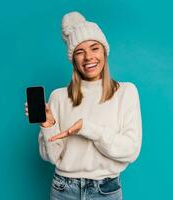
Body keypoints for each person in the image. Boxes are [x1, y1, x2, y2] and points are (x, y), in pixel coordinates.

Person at [25, 11, 142, 200]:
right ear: (73, 59)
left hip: (106, 190)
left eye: (94, 48)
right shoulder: (59, 97)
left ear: (104, 51)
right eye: (80, 51)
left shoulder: (126, 92)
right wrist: (48, 125)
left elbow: (130, 150)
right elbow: (52, 157)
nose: (88, 57)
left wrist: (88, 128)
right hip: (63, 189)